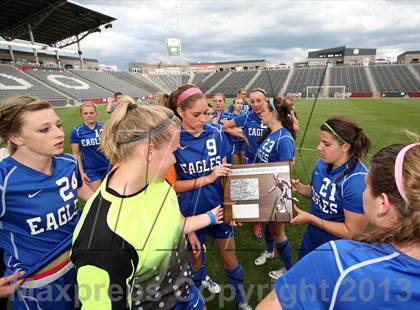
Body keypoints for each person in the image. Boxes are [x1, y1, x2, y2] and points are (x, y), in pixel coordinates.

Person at [71, 97, 224, 309]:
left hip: (187, 295)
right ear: (149, 151)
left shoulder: (158, 184)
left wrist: (210, 217)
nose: (174, 161)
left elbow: (173, 223)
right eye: (172, 152)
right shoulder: (101, 237)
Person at [257, 143, 420, 309]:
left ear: (383, 203)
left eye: (367, 185)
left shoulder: (340, 261)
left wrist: (312, 219)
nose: (363, 191)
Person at [0, 96, 92, 309]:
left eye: (58, 125)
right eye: (44, 130)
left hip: (80, 263)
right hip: (39, 283)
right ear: (16, 137)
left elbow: (80, 189)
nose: (59, 133)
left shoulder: (68, 162)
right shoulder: (4, 180)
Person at [165, 84, 251, 309]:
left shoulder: (216, 133)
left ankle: (241, 301)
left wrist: (232, 207)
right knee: (194, 259)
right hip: (189, 217)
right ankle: (201, 280)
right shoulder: (173, 141)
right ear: (180, 112)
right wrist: (206, 178)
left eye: (207, 112)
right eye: (196, 114)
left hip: (219, 210)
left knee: (231, 260)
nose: (204, 119)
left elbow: (226, 175)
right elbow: (170, 187)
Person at [291, 117, 371, 259]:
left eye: (326, 144)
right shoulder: (322, 163)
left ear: (345, 146)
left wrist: (312, 219)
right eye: (320, 141)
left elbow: (352, 232)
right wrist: (300, 188)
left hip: (335, 251)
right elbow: (317, 192)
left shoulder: (357, 182)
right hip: (311, 238)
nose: (318, 147)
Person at [253, 98, 298, 280]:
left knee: (278, 233)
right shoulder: (272, 133)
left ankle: (289, 270)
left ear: (274, 113)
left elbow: (285, 171)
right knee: (268, 226)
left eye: (263, 110)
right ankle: (270, 251)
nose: (260, 113)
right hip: (265, 190)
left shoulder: (284, 138)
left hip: (277, 195)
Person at [223, 88, 268, 239]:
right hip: (250, 160)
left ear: (265, 101)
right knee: (250, 192)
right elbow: (226, 126)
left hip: (268, 162)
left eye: (259, 101)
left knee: (265, 194)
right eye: (253, 101)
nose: (255, 104)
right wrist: (242, 134)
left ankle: (261, 220)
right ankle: (253, 221)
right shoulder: (247, 116)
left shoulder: (272, 117)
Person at [70, 102, 110, 191]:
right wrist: (81, 172)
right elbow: (76, 154)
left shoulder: (104, 128)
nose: (89, 115)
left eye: (91, 113)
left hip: (108, 167)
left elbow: (111, 148)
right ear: (81, 115)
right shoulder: (76, 132)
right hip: (91, 170)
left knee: (112, 195)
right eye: (86, 113)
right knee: (97, 197)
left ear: (96, 113)